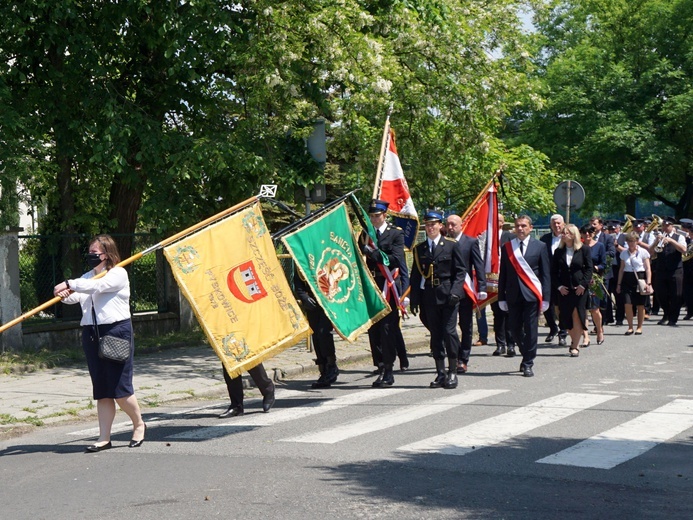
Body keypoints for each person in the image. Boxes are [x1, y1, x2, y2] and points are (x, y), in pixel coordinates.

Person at [53, 234, 146, 452]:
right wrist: (64, 294)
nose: (91, 256)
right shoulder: (87, 277)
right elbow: (76, 296)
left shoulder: (118, 274)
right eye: (90, 253)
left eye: (95, 253)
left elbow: (97, 287)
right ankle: (104, 437)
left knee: (120, 390)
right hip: (92, 334)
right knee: (102, 389)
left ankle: (139, 424)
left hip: (115, 332)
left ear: (107, 254)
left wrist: (70, 283)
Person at [410, 210, 466, 388]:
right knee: (435, 335)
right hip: (430, 296)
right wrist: (414, 300)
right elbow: (416, 276)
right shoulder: (420, 249)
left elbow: (460, 271)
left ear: (440, 226)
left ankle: (452, 371)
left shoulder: (451, 245)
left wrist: (456, 292)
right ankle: (440, 372)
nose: (430, 227)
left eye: (433, 224)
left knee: (449, 332)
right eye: (427, 225)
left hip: (449, 295)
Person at [360, 199, 407, 387]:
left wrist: (373, 253)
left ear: (384, 216)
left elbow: (395, 259)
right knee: (374, 328)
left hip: (389, 284)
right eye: (371, 216)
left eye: (377, 216)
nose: (374, 219)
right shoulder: (365, 234)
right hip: (372, 284)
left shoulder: (395, 233)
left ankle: (389, 369)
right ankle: (379, 364)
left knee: (388, 328)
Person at [498, 215, 551, 377]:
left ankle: (528, 362)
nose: (520, 229)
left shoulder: (540, 246)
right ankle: (526, 353)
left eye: (523, 226)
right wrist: (501, 297)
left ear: (530, 227)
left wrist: (546, 297)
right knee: (513, 328)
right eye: (517, 226)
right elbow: (503, 274)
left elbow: (545, 274)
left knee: (531, 329)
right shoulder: (507, 247)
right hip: (513, 295)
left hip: (532, 295)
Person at [446, 214, 487, 374]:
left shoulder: (470, 242)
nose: (450, 228)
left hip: (465, 289)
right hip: (448, 289)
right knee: (449, 327)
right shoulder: (444, 242)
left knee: (466, 325)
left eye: (453, 225)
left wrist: (482, 287)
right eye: (448, 224)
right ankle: (454, 355)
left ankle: (463, 359)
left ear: (461, 225)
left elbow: (479, 265)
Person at [552, 224, 593, 357]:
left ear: (574, 234)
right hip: (564, 289)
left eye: (567, 233)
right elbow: (553, 272)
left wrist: (583, 285)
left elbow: (589, 269)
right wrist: (558, 286)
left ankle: (575, 345)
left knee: (578, 316)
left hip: (579, 289)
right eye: (563, 233)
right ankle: (574, 339)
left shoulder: (584, 250)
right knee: (565, 317)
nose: (564, 235)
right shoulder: (558, 252)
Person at [294, 272, 338, 388]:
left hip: (327, 298)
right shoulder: (302, 255)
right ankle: (323, 369)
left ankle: (331, 365)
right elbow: (297, 280)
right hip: (312, 301)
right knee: (316, 335)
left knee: (324, 333)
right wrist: (303, 296)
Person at [652, 216, 687, 326]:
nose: (665, 228)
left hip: (675, 270)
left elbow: (684, 250)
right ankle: (666, 313)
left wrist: (671, 240)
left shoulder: (679, 237)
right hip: (661, 269)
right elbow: (651, 253)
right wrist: (656, 242)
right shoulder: (659, 237)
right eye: (663, 226)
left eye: (667, 226)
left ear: (672, 226)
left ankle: (673, 318)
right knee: (660, 294)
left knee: (676, 295)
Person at [616, 232, 653, 335]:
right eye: (629, 241)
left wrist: (648, 283)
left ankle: (639, 327)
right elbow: (621, 269)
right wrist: (618, 284)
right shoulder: (624, 253)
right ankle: (630, 326)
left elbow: (648, 269)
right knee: (627, 303)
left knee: (640, 305)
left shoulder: (643, 252)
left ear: (637, 241)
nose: (631, 243)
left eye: (633, 241)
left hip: (640, 278)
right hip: (627, 278)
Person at [540, 214, 568, 346]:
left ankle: (563, 333)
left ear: (563, 224)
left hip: (563, 277)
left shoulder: (568, 238)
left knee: (563, 305)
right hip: (547, 276)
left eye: (558, 223)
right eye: (554, 224)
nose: (556, 226)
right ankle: (552, 328)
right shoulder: (544, 239)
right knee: (547, 304)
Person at [491, 214, 516, 357]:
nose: (497, 222)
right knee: (497, 315)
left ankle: (511, 344)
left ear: (502, 223)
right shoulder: (486, 237)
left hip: (508, 280)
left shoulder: (509, 237)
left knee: (509, 314)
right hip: (493, 281)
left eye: (499, 220)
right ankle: (500, 344)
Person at [580, 225, 606, 346]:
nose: (587, 235)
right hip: (582, 280)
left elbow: (604, 264)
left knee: (594, 309)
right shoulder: (579, 246)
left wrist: (596, 268)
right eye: (584, 233)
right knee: (583, 310)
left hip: (594, 280)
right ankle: (586, 336)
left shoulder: (599, 246)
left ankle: (599, 330)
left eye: (590, 232)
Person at [590, 217, 616, 325]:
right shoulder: (587, 237)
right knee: (593, 297)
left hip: (603, 272)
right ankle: (598, 323)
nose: (592, 226)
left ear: (600, 225)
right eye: (591, 224)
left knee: (603, 297)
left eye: (594, 224)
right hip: (590, 273)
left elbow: (611, 252)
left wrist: (599, 256)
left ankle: (603, 320)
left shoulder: (607, 238)